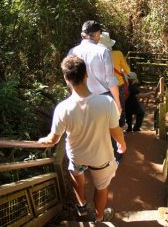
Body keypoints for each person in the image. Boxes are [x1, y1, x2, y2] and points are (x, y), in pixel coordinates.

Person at [38, 55, 126, 223]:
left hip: (77, 156)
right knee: (101, 188)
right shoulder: (106, 102)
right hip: (101, 158)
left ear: (66, 79)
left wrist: (43, 140)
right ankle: (99, 217)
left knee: (76, 173)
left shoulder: (62, 108)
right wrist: (122, 145)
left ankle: (82, 205)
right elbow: (116, 133)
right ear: (87, 74)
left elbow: (53, 140)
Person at [68, 20, 122, 113]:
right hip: (102, 99)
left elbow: (70, 80)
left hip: (80, 100)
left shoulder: (72, 52)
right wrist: (118, 104)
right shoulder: (103, 52)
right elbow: (111, 81)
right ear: (97, 34)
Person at [98, 32, 131, 130]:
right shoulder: (118, 54)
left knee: (104, 111)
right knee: (120, 106)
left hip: (102, 87)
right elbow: (127, 70)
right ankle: (121, 126)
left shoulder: (96, 54)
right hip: (118, 84)